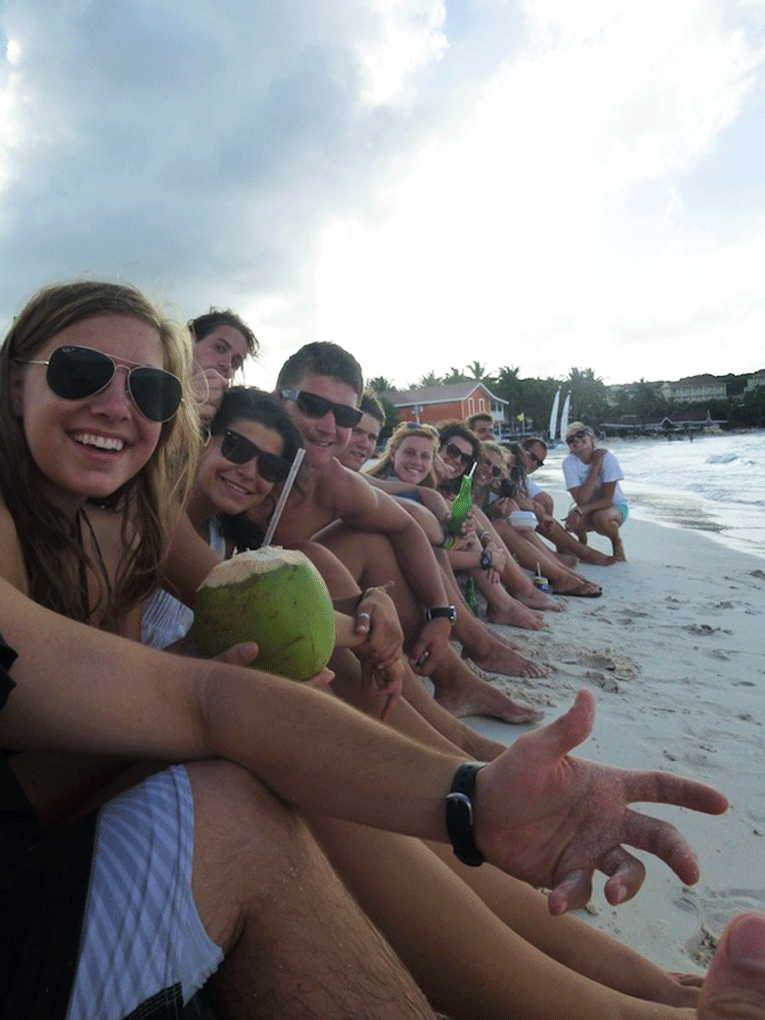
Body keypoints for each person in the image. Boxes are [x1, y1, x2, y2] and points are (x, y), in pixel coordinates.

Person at [0, 282, 753, 1020]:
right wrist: (468, 796)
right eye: (79, 371)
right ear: (13, 382)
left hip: (76, 796)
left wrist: (368, 621)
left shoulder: (128, 521)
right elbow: (200, 700)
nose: (116, 407)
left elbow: (232, 611)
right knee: (260, 769)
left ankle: (631, 986)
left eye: (153, 392)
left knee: (288, 735)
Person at [521, 437, 618, 567]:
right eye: (532, 457)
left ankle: (562, 547)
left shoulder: (520, 477)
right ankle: (571, 553)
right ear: (520, 451)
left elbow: (546, 501)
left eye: (539, 463)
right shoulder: (505, 466)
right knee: (524, 510)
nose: (534, 464)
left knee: (545, 503)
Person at [562, 422, 628, 562]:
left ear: (591, 437)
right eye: (570, 439)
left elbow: (607, 500)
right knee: (574, 518)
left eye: (580, 434)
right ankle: (582, 544)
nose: (576, 440)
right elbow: (582, 500)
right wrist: (595, 467)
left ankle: (617, 543)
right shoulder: (569, 463)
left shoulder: (608, 458)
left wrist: (580, 509)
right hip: (587, 507)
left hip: (614, 507)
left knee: (601, 517)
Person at [189, 308, 257, 426]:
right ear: (189, 341)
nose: (227, 365)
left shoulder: (227, 420)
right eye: (220, 348)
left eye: (235, 362)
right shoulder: (152, 380)